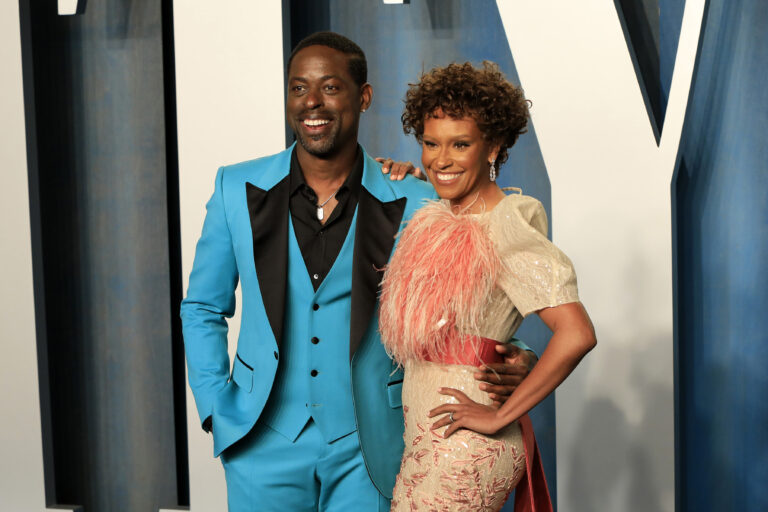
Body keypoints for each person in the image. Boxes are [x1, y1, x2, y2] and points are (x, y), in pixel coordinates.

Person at [180, 32, 536, 511]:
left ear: (363, 97)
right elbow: (202, 306)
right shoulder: (234, 187)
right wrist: (215, 410)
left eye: (330, 87)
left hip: (371, 444)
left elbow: (471, 310)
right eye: (298, 88)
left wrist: (515, 355)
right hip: (259, 442)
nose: (312, 103)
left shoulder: (415, 202)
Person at [379, 61, 597, 511]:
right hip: (428, 434)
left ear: (493, 146)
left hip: (467, 443)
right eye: (430, 143)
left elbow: (577, 333)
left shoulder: (505, 228)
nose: (441, 159)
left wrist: (500, 414)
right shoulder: (442, 218)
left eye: (461, 144)